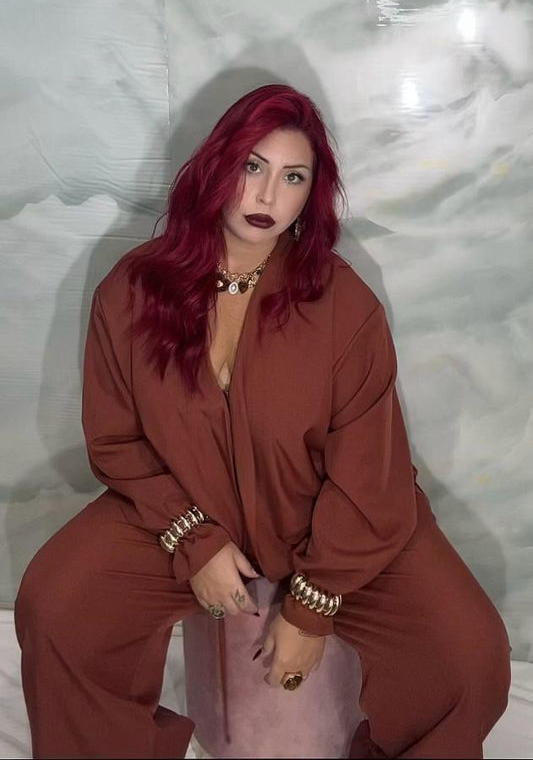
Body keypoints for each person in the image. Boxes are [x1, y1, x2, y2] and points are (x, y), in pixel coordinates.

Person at [15, 83, 511, 759]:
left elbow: (371, 473)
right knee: (58, 605)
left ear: (311, 196)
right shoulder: (132, 291)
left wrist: (311, 606)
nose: (268, 194)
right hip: (183, 510)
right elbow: (118, 439)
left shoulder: (342, 305)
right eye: (253, 165)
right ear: (216, 166)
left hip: (339, 525)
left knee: (468, 655)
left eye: (293, 177)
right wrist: (193, 538)